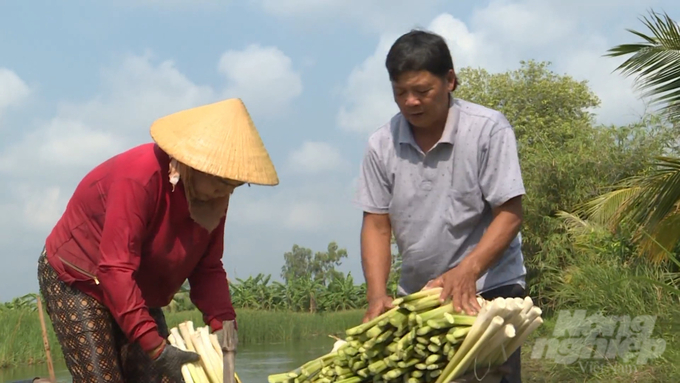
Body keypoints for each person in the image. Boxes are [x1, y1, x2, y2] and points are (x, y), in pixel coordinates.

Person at [37, 98, 279, 383]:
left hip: (136, 283)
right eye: (223, 183)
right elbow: (115, 269)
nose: (226, 194)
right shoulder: (139, 177)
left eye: (235, 187)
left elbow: (207, 267)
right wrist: (154, 345)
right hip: (80, 278)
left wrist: (223, 323)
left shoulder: (213, 198)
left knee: (163, 378)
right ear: (195, 164)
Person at [354, 30, 527, 383]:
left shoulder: (488, 130)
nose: (411, 102)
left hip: (488, 291)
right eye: (400, 92)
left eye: (422, 91)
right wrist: (376, 296)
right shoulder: (381, 143)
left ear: (450, 80)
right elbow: (376, 224)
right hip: (421, 298)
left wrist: (468, 270)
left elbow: (509, 214)